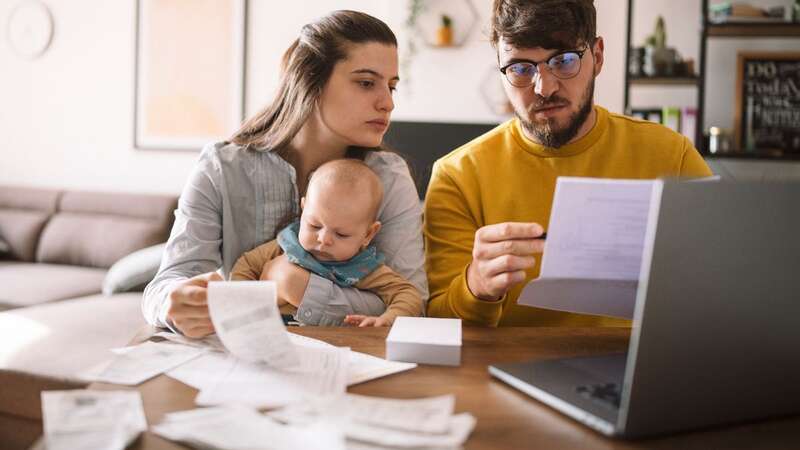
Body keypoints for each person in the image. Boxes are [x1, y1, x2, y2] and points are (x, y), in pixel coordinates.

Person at [424, 0, 712, 327]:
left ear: (598, 56)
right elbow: (438, 325)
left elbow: (722, 281)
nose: (544, 87)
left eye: (563, 61)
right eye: (520, 68)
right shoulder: (457, 175)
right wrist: (476, 286)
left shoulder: (670, 155)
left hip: (639, 367)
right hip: (502, 371)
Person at [143, 10, 427, 338]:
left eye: (391, 86)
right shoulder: (221, 168)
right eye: (366, 83)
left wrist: (297, 286)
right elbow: (164, 286)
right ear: (311, 82)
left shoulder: (389, 178)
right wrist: (173, 303)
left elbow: (413, 303)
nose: (387, 103)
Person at [229, 159, 423, 327]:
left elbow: (408, 295)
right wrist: (242, 307)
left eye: (341, 234)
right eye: (314, 225)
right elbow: (245, 266)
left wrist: (388, 319)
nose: (324, 239)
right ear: (303, 210)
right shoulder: (287, 245)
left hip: (334, 342)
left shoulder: (363, 268)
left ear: (368, 234)